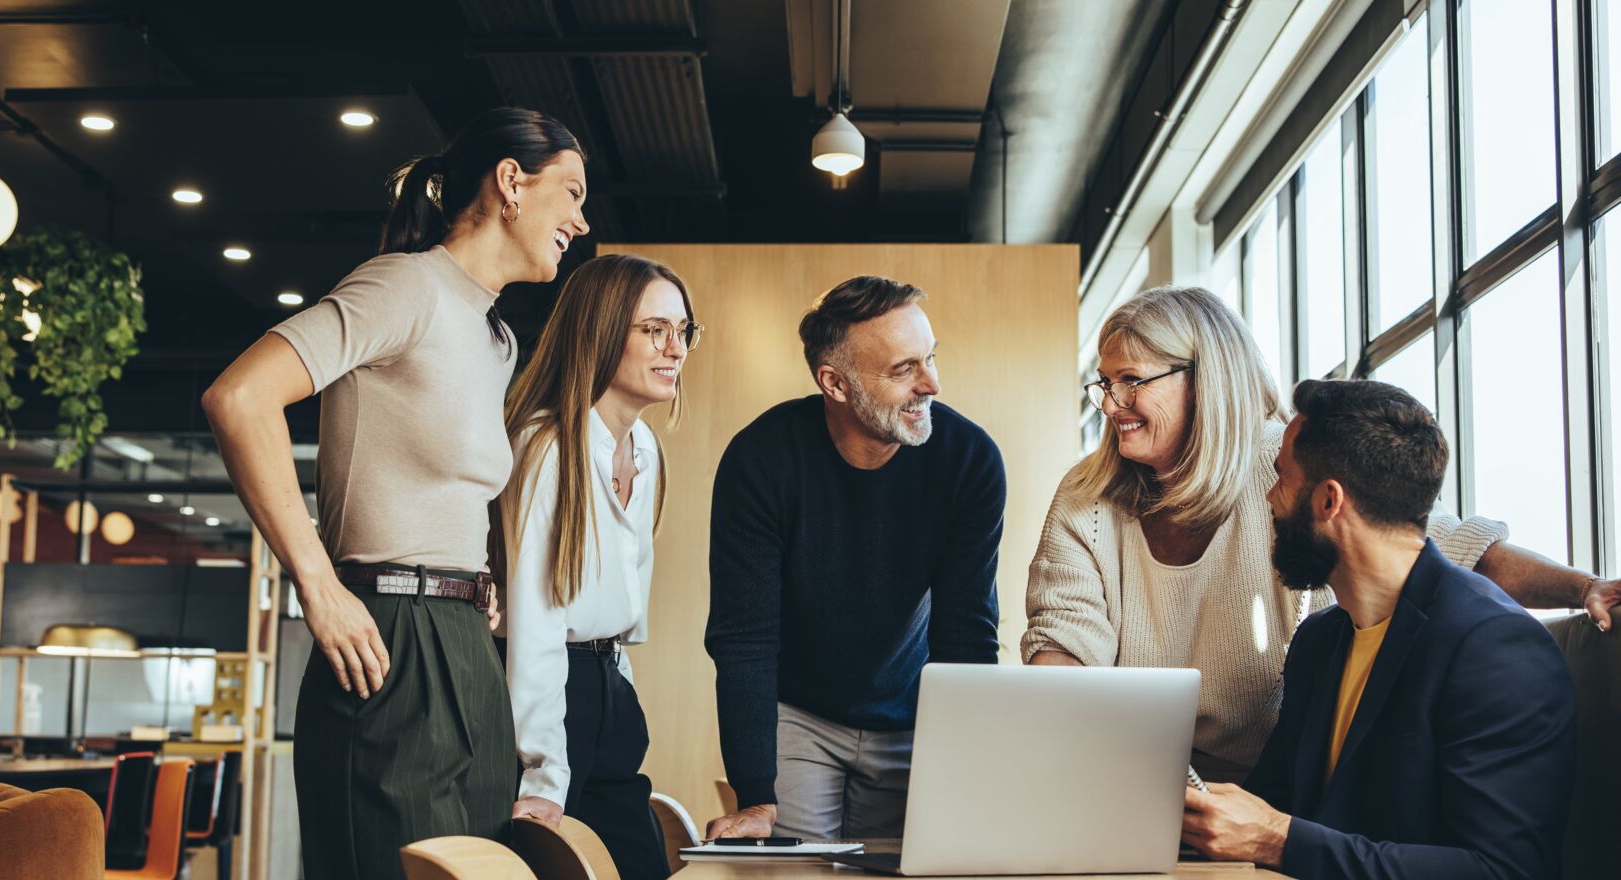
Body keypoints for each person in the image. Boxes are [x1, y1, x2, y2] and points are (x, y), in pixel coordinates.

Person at [200, 106, 590, 879]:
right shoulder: (404, 285)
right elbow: (239, 398)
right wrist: (318, 585)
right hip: (386, 639)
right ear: (512, 182)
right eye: (573, 193)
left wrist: (471, 585)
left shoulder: (496, 337)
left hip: (463, 645)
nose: (581, 221)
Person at [1023, 285, 1618, 784]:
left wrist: (1584, 586)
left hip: (1280, 788)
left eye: (1130, 380)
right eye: (1103, 383)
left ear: (1204, 381)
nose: (1111, 403)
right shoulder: (1089, 497)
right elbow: (1063, 648)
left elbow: (1441, 549)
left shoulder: (1284, 467)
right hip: (1136, 776)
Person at [1181, 378, 1575, 879]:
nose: (1269, 497)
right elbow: (1269, 806)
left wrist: (1279, 841)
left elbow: (1502, 871)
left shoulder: (1499, 648)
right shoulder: (1319, 642)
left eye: (1281, 476)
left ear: (1329, 501)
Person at [702, 276, 1007, 841]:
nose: (932, 384)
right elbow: (744, 637)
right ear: (835, 383)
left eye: (930, 359)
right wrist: (755, 795)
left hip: (916, 712)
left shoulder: (970, 461)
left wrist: (966, 772)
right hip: (799, 714)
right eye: (903, 370)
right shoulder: (760, 460)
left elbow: (966, 632)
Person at [498, 253, 700, 880]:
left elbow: (625, 607)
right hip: (548, 695)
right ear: (602, 331)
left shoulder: (646, 450)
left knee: (641, 865)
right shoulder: (546, 445)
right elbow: (536, 623)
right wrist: (543, 773)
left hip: (609, 685)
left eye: (683, 330)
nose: (675, 349)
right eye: (654, 330)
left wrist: (622, 690)